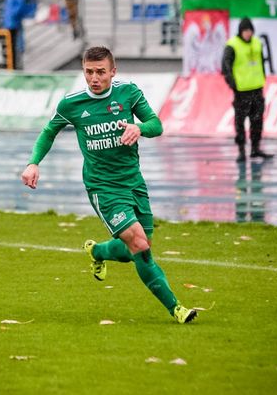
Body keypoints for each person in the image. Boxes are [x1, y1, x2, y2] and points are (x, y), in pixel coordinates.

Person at [21, 46, 197, 324]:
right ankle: (177, 309)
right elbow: (49, 131)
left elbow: (156, 125)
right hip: (102, 188)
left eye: (101, 72)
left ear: (113, 72)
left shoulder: (128, 93)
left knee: (135, 250)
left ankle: (97, 251)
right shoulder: (72, 104)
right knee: (140, 245)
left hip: (134, 182)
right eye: (89, 72)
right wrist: (33, 162)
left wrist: (139, 128)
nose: (94, 78)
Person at [222, 17, 273, 163]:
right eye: (245, 30)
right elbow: (225, 66)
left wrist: (263, 77)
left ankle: (255, 148)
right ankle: (241, 151)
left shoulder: (257, 43)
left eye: (250, 30)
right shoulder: (232, 45)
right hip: (241, 91)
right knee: (240, 122)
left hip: (257, 88)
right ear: (240, 31)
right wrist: (232, 84)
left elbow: (262, 62)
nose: (248, 33)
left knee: (257, 120)